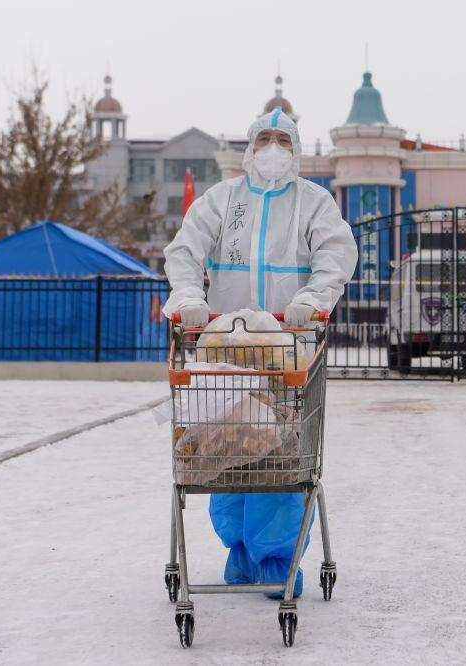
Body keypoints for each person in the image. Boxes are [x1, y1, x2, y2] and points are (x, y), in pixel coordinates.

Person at [163, 107, 357, 596]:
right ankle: (241, 548)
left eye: (283, 139)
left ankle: (276, 556)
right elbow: (185, 250)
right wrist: (188, 298)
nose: (273, 147)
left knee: (282, 453)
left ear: (295, 149)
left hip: (289, 353)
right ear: (250, 148)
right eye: (265, 138)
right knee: (225, 448)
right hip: (227, 350)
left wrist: (312, 300)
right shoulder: (222, 200)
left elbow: (336, 255)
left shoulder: (313, 203)